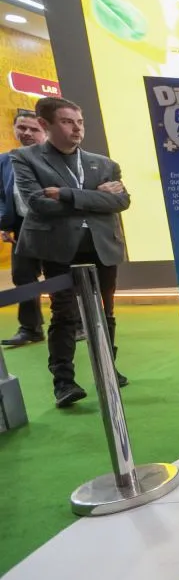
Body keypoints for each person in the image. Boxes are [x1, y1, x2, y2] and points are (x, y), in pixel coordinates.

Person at [13, 96, 130, 408]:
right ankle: (64, 382)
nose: (77, 128)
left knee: (105, 312)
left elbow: (121, 201)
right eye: (67, 122)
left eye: (80, 122)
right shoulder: (26, 158)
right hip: (58, 250)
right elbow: (38, 203)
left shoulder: (104, 163)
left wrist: (67, 194)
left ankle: (108, 368)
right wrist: (94, 198)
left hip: (101, 247)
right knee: (64, 314)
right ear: (45, 124)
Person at [0, 109, 47, 347]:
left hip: (56, 227)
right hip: (22, 227)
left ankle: (77, 323)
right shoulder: (4, 161)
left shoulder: (57, 157)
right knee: (23, 277)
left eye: (33, 129)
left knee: (61, 276)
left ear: (45, 131)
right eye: (22, 128)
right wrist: (4, 224)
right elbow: (1, 195)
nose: (27, 133)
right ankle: (30, 329)